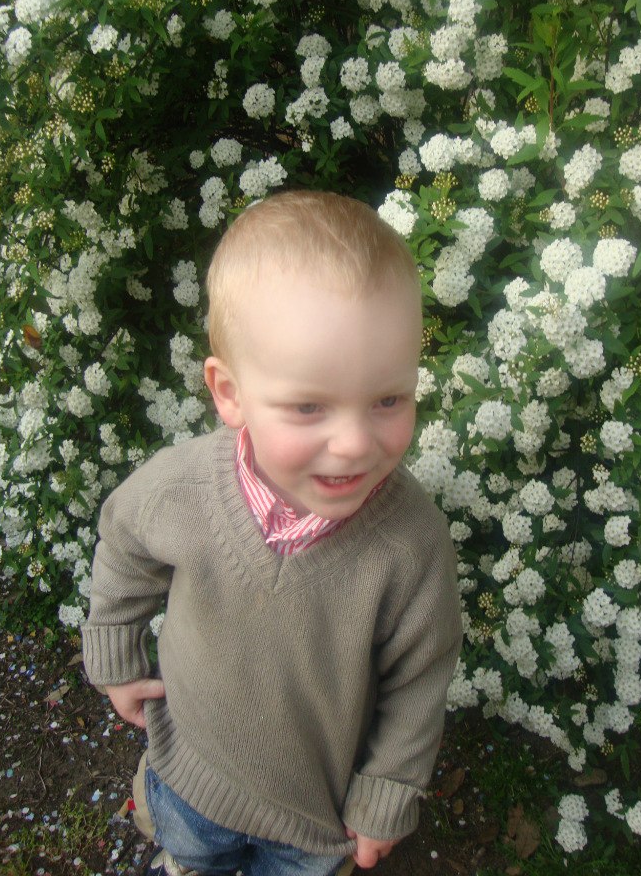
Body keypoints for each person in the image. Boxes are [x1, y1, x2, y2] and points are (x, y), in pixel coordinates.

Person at [82, 190, 463, 876]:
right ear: (229, 393)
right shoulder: (183, 489)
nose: (354, 443)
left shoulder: (410, 544)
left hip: (316, 815)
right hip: (192, 771)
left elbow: (419, 676)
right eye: (309, 406)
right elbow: (126, 544)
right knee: (191, 853)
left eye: (388, 399)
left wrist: (385, 792)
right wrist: (115, 651)